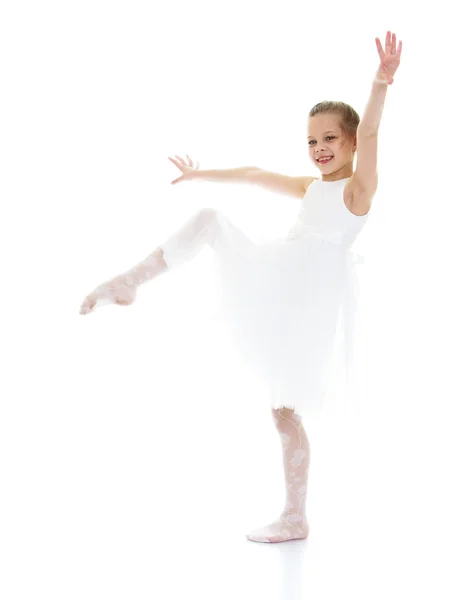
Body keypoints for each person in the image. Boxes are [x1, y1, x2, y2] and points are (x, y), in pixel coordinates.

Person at [79, 31, 402, 543]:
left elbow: (377, 133)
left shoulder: (358, 190)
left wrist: (380, 82)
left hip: (312, 302)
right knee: (209, 219)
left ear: (353, 142)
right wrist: (202, 173)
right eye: (312, 141)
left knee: (285, 407)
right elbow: (255, 174)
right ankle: (129, 282)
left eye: (330, 139)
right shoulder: (310, 186)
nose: (319, 149)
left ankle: (296, 516)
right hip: (280, 280)